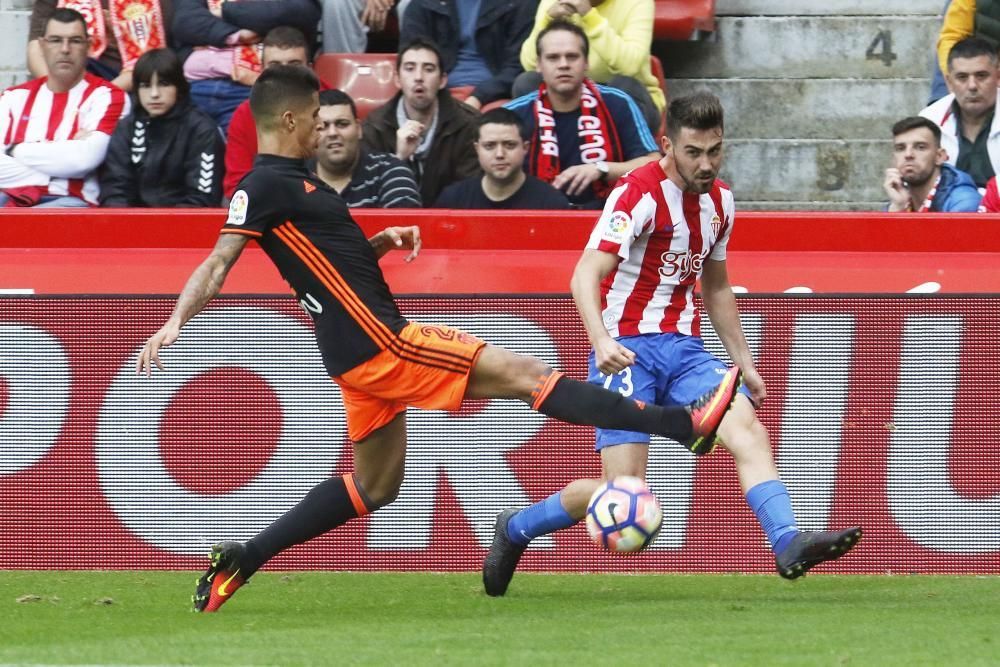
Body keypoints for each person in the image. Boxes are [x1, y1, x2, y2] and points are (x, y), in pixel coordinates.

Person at [134, 65, 741, 613]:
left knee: (374, 485)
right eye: (318, 119)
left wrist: (378, 245)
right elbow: (218, 263)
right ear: (290, 119)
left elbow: (323, 267)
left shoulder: (301, 187)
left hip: (353, 357)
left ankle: (239, 559)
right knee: (530, 375)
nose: (324, 129)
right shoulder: (262, 186)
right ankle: (686, 425)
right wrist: (174, 322)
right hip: (384, 343)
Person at [482, 92, 863, 598]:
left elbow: (717, 285)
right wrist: (599, 340)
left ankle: (788, 541)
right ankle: (516, 528)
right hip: (628, 351)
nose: (706, 164)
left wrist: (744, 363)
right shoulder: (636, 194)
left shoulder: (721, 202)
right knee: (625, 495)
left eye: (715, 151)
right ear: (667, 145)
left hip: (685, 352)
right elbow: (584, 274)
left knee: (748, 429)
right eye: (693, 152)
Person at [504, 21, 660, 210]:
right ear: (538, 65)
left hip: (609, 217)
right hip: (535, 217)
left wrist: (601, 169)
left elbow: (654, 165)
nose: (563, 65)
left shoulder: (618, 102)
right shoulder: (514, 113)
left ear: (586, 62)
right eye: (553, 58)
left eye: (572, 57)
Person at [0, 8, 129, 208]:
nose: (65, 49)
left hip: (70, 204)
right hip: (8, 199)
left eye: (75, 41)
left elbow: (84, 160)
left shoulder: (108, 96)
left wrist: (15, 150)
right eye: (56, 40)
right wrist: (55, 175)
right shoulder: (13, 97)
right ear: (42, 46)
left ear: (89, 46)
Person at [514, 0, 663, 136]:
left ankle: (621, 162)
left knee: (623, 86)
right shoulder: (554, 2)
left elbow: (630, 65)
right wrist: (547, 23)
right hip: (567, 95)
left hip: (622, 96)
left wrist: (590, 17)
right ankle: (542, 156)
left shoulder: (638, 3)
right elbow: (529, 63)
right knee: (526, 82)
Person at [99, 49, 224, 207]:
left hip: (186, 226)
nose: (154, 94)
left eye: (163, 84)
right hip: (130, 226)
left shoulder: (202, 130)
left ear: (179, 87)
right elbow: (114, 191)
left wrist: (163, 228)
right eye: (145, 86)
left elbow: (202, 199)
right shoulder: (126, 129)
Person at [362, 37, 480, 205]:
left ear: (442, 80)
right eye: (410, 69)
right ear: (397, 79)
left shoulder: (469, 124)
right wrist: (399, 160)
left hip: (450, 224)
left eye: (429, 69)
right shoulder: (374, 127)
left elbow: (470, 193)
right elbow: (368, 195)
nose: (418, 77)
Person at [172, 0, 321, 132]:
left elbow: (298, 10)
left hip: (254, 90)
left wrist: (224, 11)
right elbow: (185, 21)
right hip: (195, 87)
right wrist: (238, 35)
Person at [223, 26, 316, 199]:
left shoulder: (331, 108)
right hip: (265, 207)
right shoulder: (245, 114)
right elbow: (236, 184)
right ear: (261, 70)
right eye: (275, 66)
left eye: (294, 65)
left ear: (310, 68)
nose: (284, 75)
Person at [400, 0, 535, 109]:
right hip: (438, 92)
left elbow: (518, 65)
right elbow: (412, 58)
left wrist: (479, 97)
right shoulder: (422, 5)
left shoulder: (521, 4)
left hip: (497, 94)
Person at [434, 108, 569, 209]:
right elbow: (421, 243)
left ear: (525, 148)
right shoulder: (453, 200)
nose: (499, 154)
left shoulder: (551, 203)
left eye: (510, 145)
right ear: (477, 149)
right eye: (489, 146)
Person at [27, 0, 175, 92]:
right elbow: (35, 48)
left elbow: (150, 59)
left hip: (128, 84)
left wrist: (100, 96)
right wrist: (56, 89)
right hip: (66, 81)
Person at [314, 89, 422, 208]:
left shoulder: (391, 171)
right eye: (322, 126)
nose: (332, 133)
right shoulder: (295, 179)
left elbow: (405, 224)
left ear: (359, 129)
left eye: (342, 124)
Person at [920, 37, 1000, 188]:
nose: (972, 86)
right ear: (949, 82)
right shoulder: (930, 121)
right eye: (962, 77)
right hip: (947, 209)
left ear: (998, 77)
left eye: (981, 76)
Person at [883, 116, 980, 213]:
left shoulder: (963, 201)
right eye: (900, 148)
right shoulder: (899, 197)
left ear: (939, 156)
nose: (908, 155)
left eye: (920, 147)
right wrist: (897, 209)